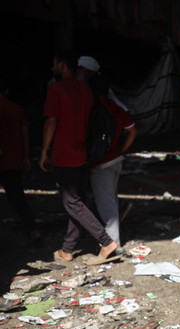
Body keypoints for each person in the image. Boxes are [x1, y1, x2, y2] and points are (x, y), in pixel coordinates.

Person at [40, 51, 120, 265]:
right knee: (77, 202)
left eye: (54, 64)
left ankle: (106, 241)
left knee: (72, 203)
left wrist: (43, 151)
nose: (52, 68)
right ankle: (67, 249)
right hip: (83, 154)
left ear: (63, 66)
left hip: (64, 154)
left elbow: (51, 122)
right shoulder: (86, 89)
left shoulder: (55, 88)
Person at [88, 74, 138, 254]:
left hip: (102, 163)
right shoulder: (116, 108)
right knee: (110, 201)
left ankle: (112, 245)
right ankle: (111, 241)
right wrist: (120, 149)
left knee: (107, 206)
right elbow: (133, 131)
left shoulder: (94, 109)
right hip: (117, 160)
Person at [0, 77, 40, 240]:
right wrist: (26, 156)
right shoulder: (16, 108)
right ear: (7, 92)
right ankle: (33, 230)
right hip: (13, 160)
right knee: (17, 196)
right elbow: (25, 133)